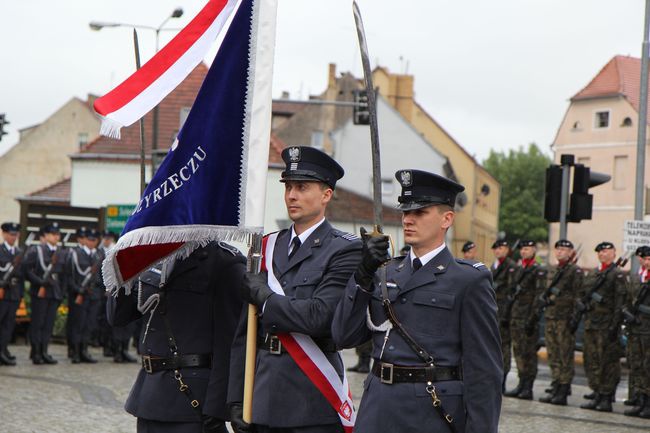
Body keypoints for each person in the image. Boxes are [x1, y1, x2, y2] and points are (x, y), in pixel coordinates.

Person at [332, 169, 502, 433]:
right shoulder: (384, 271)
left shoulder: (469, 280)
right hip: (378, 408)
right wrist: (363, 273)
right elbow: (343, 335)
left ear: (447, 218)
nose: (408, 220)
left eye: (419, 213)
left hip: (430, 413)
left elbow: (484, 371)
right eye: (405, 212)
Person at [228, 146, 362, 433]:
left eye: (302, 187)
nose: (291, 195)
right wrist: (237, 398)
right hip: (262, 395)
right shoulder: (265, 246)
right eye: (288, 187)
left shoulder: (345, 250)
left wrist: (265, 298)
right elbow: (244, 332)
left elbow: (319, 316)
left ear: (326, 195)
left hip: (311, 399)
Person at [108, 241, 245, 433]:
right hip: (149, 395)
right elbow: (118, 317)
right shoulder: (152, 256)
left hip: (192, 401)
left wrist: (217, 409)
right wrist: (122, 269)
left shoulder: (224, 262)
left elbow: (231, 342)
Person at [576, 241, 627, 412]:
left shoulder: (616, 274)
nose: (603, 254)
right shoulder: (594, 273)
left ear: (613, 253)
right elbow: (583, 293)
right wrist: (582, 304)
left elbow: (620, 303)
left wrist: (615, 326)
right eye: (600, 252)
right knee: (592, 361)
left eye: (606, 251)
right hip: (592, 324)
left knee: (608, 362)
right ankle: (597, 392)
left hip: (607, 325)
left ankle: (606, 397)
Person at [537, 239, 583, 405]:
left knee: (564, 356)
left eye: (564, 249)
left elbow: (579, 297)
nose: (560, 252)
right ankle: (556, 385)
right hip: (551, 318)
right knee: (554, 355)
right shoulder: (556, 270)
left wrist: (574, 319)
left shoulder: (574, 271)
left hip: (564, 319)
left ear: (571, 252)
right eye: (558, 249)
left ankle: (563, 391)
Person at [503, 240, 546, 400]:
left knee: (528, 353)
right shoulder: (520, 269)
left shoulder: (538, 270)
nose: (523, 252)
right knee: (519, 352)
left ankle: (528, 387)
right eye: (522, 249)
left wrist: (533, 318)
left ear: (534, 250)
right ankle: (521, 383)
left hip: (528, 318)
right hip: (516, 316)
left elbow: (539, 296)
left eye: (527, 249)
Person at [24, 222, 66, 365]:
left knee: (48, 325)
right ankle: (36, 352)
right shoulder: (37, 251)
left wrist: (61, 292)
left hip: (54, 293)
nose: (56, 237)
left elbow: (64, 275)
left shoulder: (61, 252)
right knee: (38, 323)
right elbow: (27, 270)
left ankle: (44, 351)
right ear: (46, 236)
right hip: (40, 293)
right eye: (53, 234)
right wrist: (40, 282)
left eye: (57, 234)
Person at [622, 246, 650, 418]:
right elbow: (628, 300)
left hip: (648, 331)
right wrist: (627, 314)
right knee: (638, 366)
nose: (647, 262)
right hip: (637, 329)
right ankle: (641, 400)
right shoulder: (638, 279)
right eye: (645, 259)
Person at [490, 239, 518, 392]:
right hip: (493, 312)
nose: (498, 251)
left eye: (501, 248)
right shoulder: (494, 267)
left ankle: (502, 380)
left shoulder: (511, 267)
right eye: (496, 248)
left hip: (504, 313)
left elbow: (511, 292)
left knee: (503, 348)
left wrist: (507, 314)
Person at [0, 222, 24, 366]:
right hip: (2, 294)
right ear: (4, 234)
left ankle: (3, 350)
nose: (13, 237)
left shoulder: (18, 253)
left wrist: (20, 294)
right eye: (11, 234)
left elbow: (21, 276)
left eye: (15, 235)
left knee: (8, 326)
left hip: (13, 294)